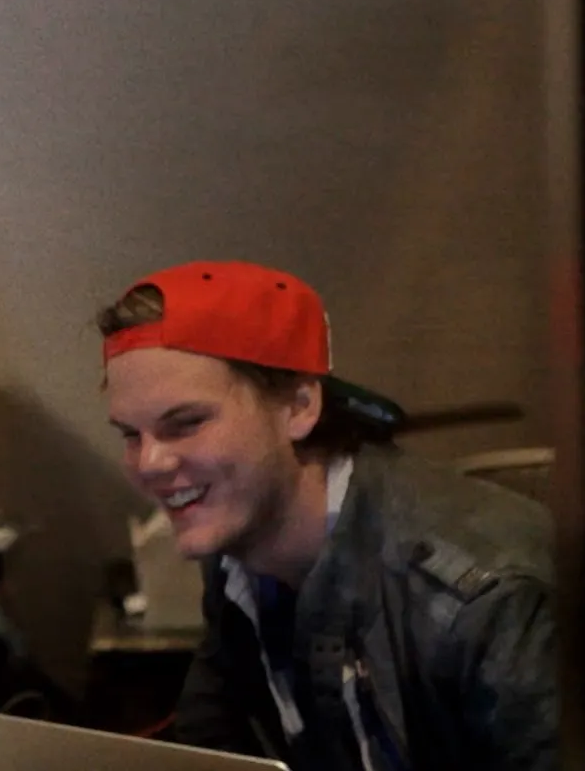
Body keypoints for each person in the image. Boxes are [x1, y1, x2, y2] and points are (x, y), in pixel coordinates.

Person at [96, 260, 556, 771]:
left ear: (299, 406)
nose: (149, 463)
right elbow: (210, 744)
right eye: (131, 434)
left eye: (186, 423)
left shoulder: (483, 599)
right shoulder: (235, 553)